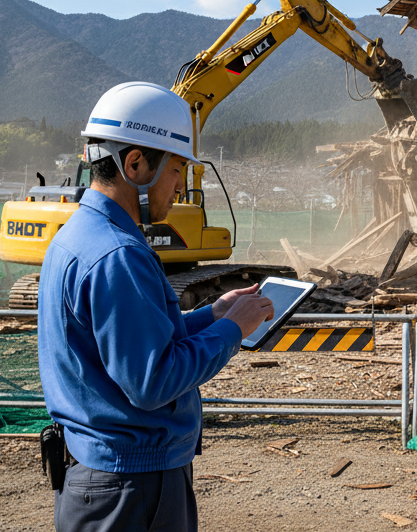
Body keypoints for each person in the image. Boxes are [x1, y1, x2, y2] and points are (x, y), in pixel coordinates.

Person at [37, 81, 273, 531]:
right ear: (135, 164)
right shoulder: (117, 255)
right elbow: (152, 380)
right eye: (176, 170)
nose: (180, 186)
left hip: (99, 475)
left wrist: (213, 314)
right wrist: (232, 332)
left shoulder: (77, 236)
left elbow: (131, 341)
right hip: (132, 487)